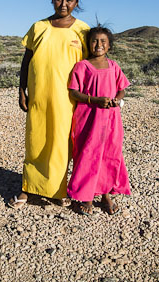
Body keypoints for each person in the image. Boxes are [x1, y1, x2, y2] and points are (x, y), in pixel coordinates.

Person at [8, 0, 90, 209]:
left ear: (76, 3)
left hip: (68, 98)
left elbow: (91, 66)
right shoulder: (38, 27)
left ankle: (57, 190)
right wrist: (21, 89)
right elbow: (27, 61)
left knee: (62, 144)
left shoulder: (82, 30)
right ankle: (27, 188)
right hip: (39, 94)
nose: (63, 4)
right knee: (36, 140)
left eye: (69, 0)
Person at [66, 25, 131, 215]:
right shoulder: (82, 66)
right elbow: (74, 91)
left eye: (103, 41)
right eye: (94, 41)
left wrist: (117, 100)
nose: (98, 45)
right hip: (88, 117)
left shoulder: (113, 66)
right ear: (88, 44)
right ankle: (86, 195)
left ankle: (106, 194)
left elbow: (122, 88)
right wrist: (94, 100)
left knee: (110, 153)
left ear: (109, 46)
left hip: (111, 118)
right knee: (88, 153)